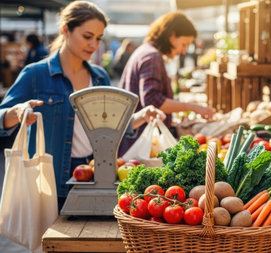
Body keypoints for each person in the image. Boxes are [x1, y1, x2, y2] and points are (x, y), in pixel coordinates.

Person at [0, 1, 165, 210]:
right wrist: (16, 112)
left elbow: (109, 128)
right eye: (87, 37)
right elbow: (2, 116)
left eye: (98, 38)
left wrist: (140, 117)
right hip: (51, 180)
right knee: (55, 241)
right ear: (65, 30)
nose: (94, 45)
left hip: (97, 174)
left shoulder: (99, 77)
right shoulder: (35, 74)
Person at [118, 11, 215, 156]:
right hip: (138, 143)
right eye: (184, 44)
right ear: (172, 35)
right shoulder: (152, 56)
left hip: (134, 139)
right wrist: (193, 107)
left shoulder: (145, 51)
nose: (183, 51)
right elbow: (152, 100)